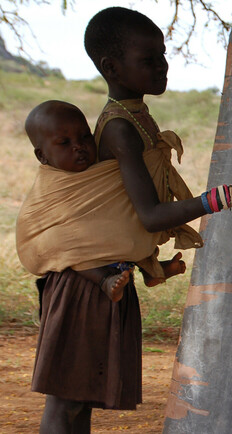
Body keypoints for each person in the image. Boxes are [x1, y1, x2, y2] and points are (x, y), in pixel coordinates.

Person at [29, 6, 232, 433]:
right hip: (85, 282)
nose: (163, 66)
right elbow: (148, 216)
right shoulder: (120, 129)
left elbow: (124, 213)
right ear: (111, 67)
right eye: (149, 60)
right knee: (68, 402)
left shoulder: (136, 119)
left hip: (108, 277)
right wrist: (226, 197)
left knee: (79, 400)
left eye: (163, 55)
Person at [22, 99, 186, 302]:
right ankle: (104, 281)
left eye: (85, 137)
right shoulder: (51, 184)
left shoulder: (102, 173)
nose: (79, 146)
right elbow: (36, 226)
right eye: (65, 143)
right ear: (42, 156)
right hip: (77, 282)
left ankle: (151, 269)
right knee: (63, 240)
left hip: (119, 273)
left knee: (126, 219)